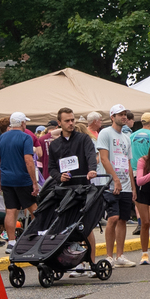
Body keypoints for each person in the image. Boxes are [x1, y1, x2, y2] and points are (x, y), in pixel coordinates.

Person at [46, 106, 101, 271]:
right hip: (65, 191)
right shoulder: (55, 145)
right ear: (59, 123)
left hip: (83, 189)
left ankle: (91, 262)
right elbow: (52, 168)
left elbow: (91, 155)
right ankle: (73, 261)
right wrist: (58, 177)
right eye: (67, 121)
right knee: (68, 226)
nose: (71, 123)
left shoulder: (83, 139)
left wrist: (92, 169)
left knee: (85, 226)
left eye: (72, 120)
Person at [97, 106, 136, 266]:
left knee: (123, 219)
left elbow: (128, 162)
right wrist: (115, 179)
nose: (124, 117)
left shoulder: (127, 137)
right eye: (120, 114)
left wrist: (133, 187)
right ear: (112, 116)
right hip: (110, 184)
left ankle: (120, 255)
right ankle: (109, 255)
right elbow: (104, 158)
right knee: (113, 217)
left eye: (125, 114)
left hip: (126, 182)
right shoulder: (105, 133)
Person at [0, 112, 38, 250]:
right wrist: (34, 182)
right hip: (23, 179)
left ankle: (11, 242)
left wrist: (0, 179)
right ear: (22, 123)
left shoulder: (2, 137)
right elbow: (28, 160)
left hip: (7, 179)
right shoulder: (26, 137)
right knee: (34, 208)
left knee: (10, 210)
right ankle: (37, 236)